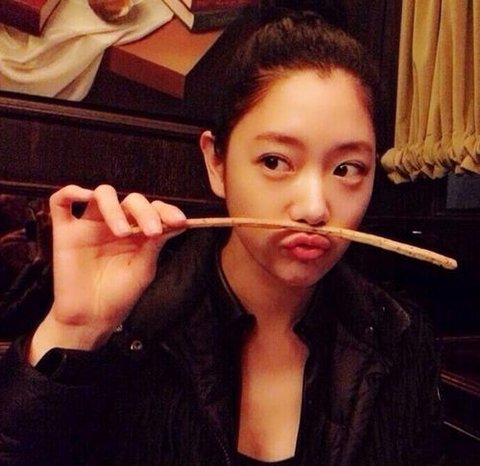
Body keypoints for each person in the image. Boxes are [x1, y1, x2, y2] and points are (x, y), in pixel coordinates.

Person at [0, 8, 442, 466]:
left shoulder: (400, 340)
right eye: (274, 162)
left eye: (347, 169)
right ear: (216, 163)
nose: (314, 208)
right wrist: (75, 331)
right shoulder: (132, 328)